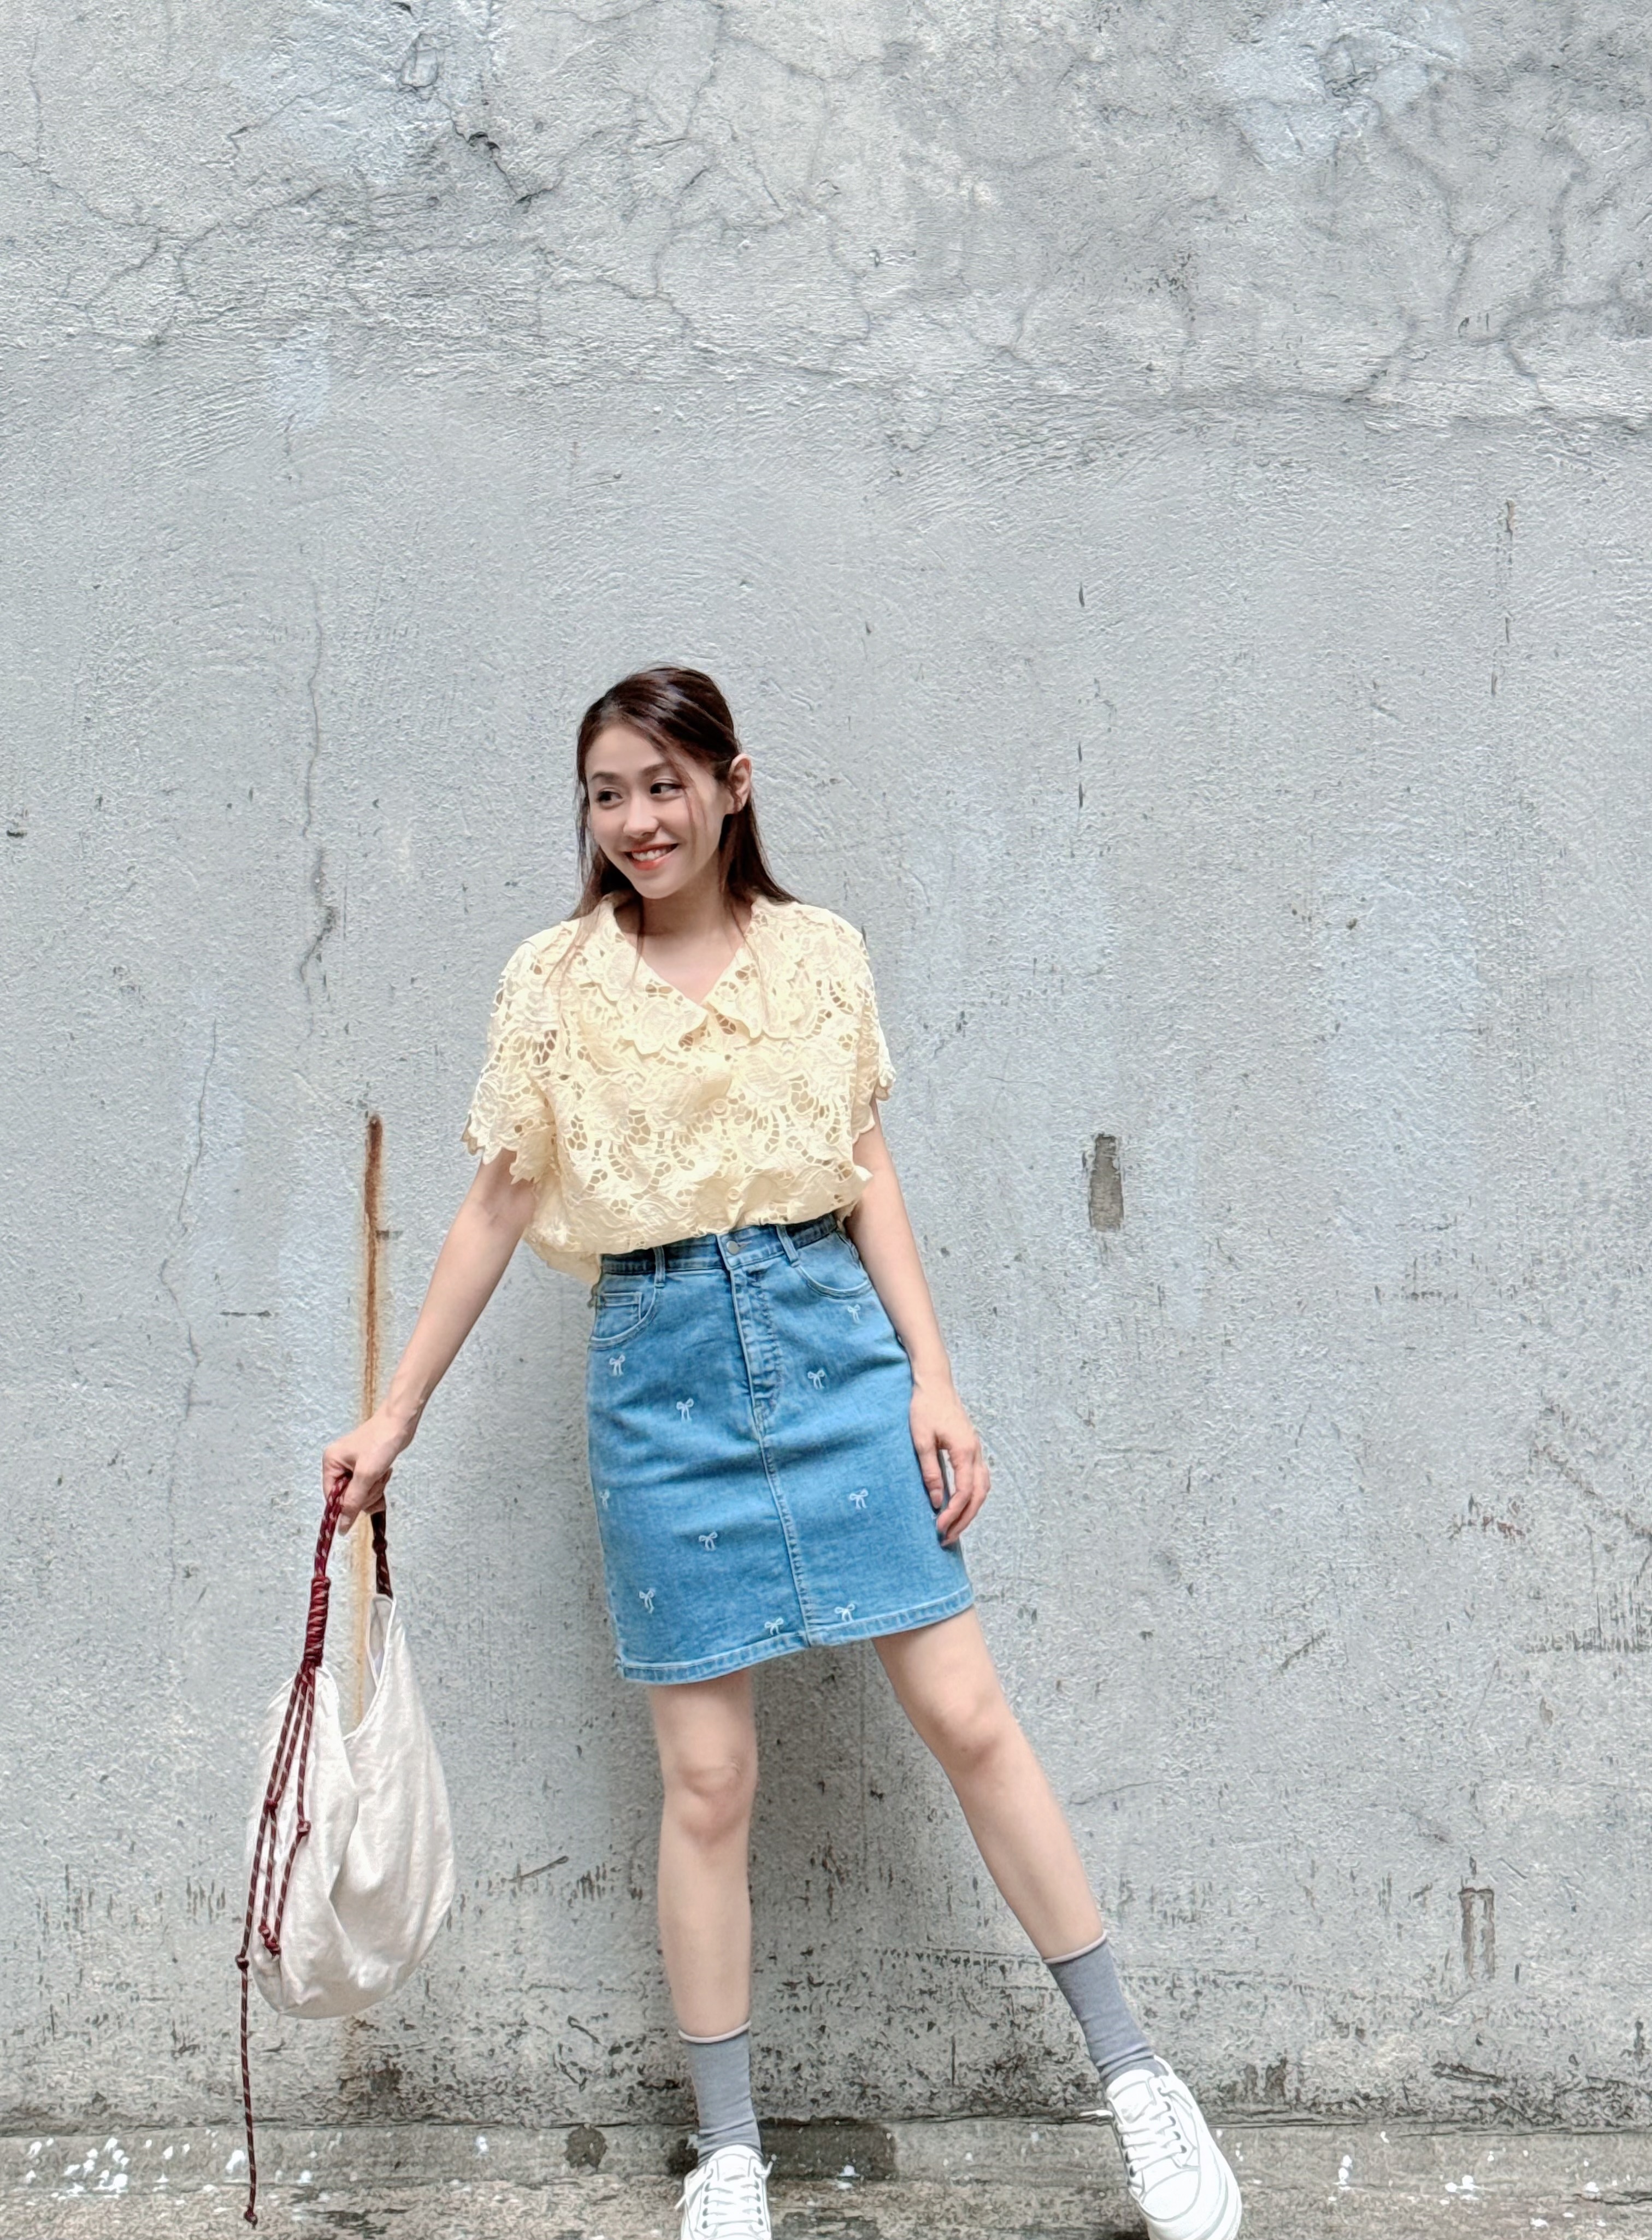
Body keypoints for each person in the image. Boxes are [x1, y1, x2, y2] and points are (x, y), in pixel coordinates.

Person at [322, 668, 1242, 2240]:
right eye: (607, 793)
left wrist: (933, 1381)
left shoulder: (819, 955)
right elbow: (494, 1202)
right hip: (660, 1379)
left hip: (831, 1349)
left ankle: (1140, 2079)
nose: (637, 820)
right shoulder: (553, 981)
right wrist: (392, 1415)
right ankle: (732, 2151)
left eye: (663, 784)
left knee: (970, 1716)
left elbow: (866, 1166)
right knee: (707, 1779)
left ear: (732, 783)